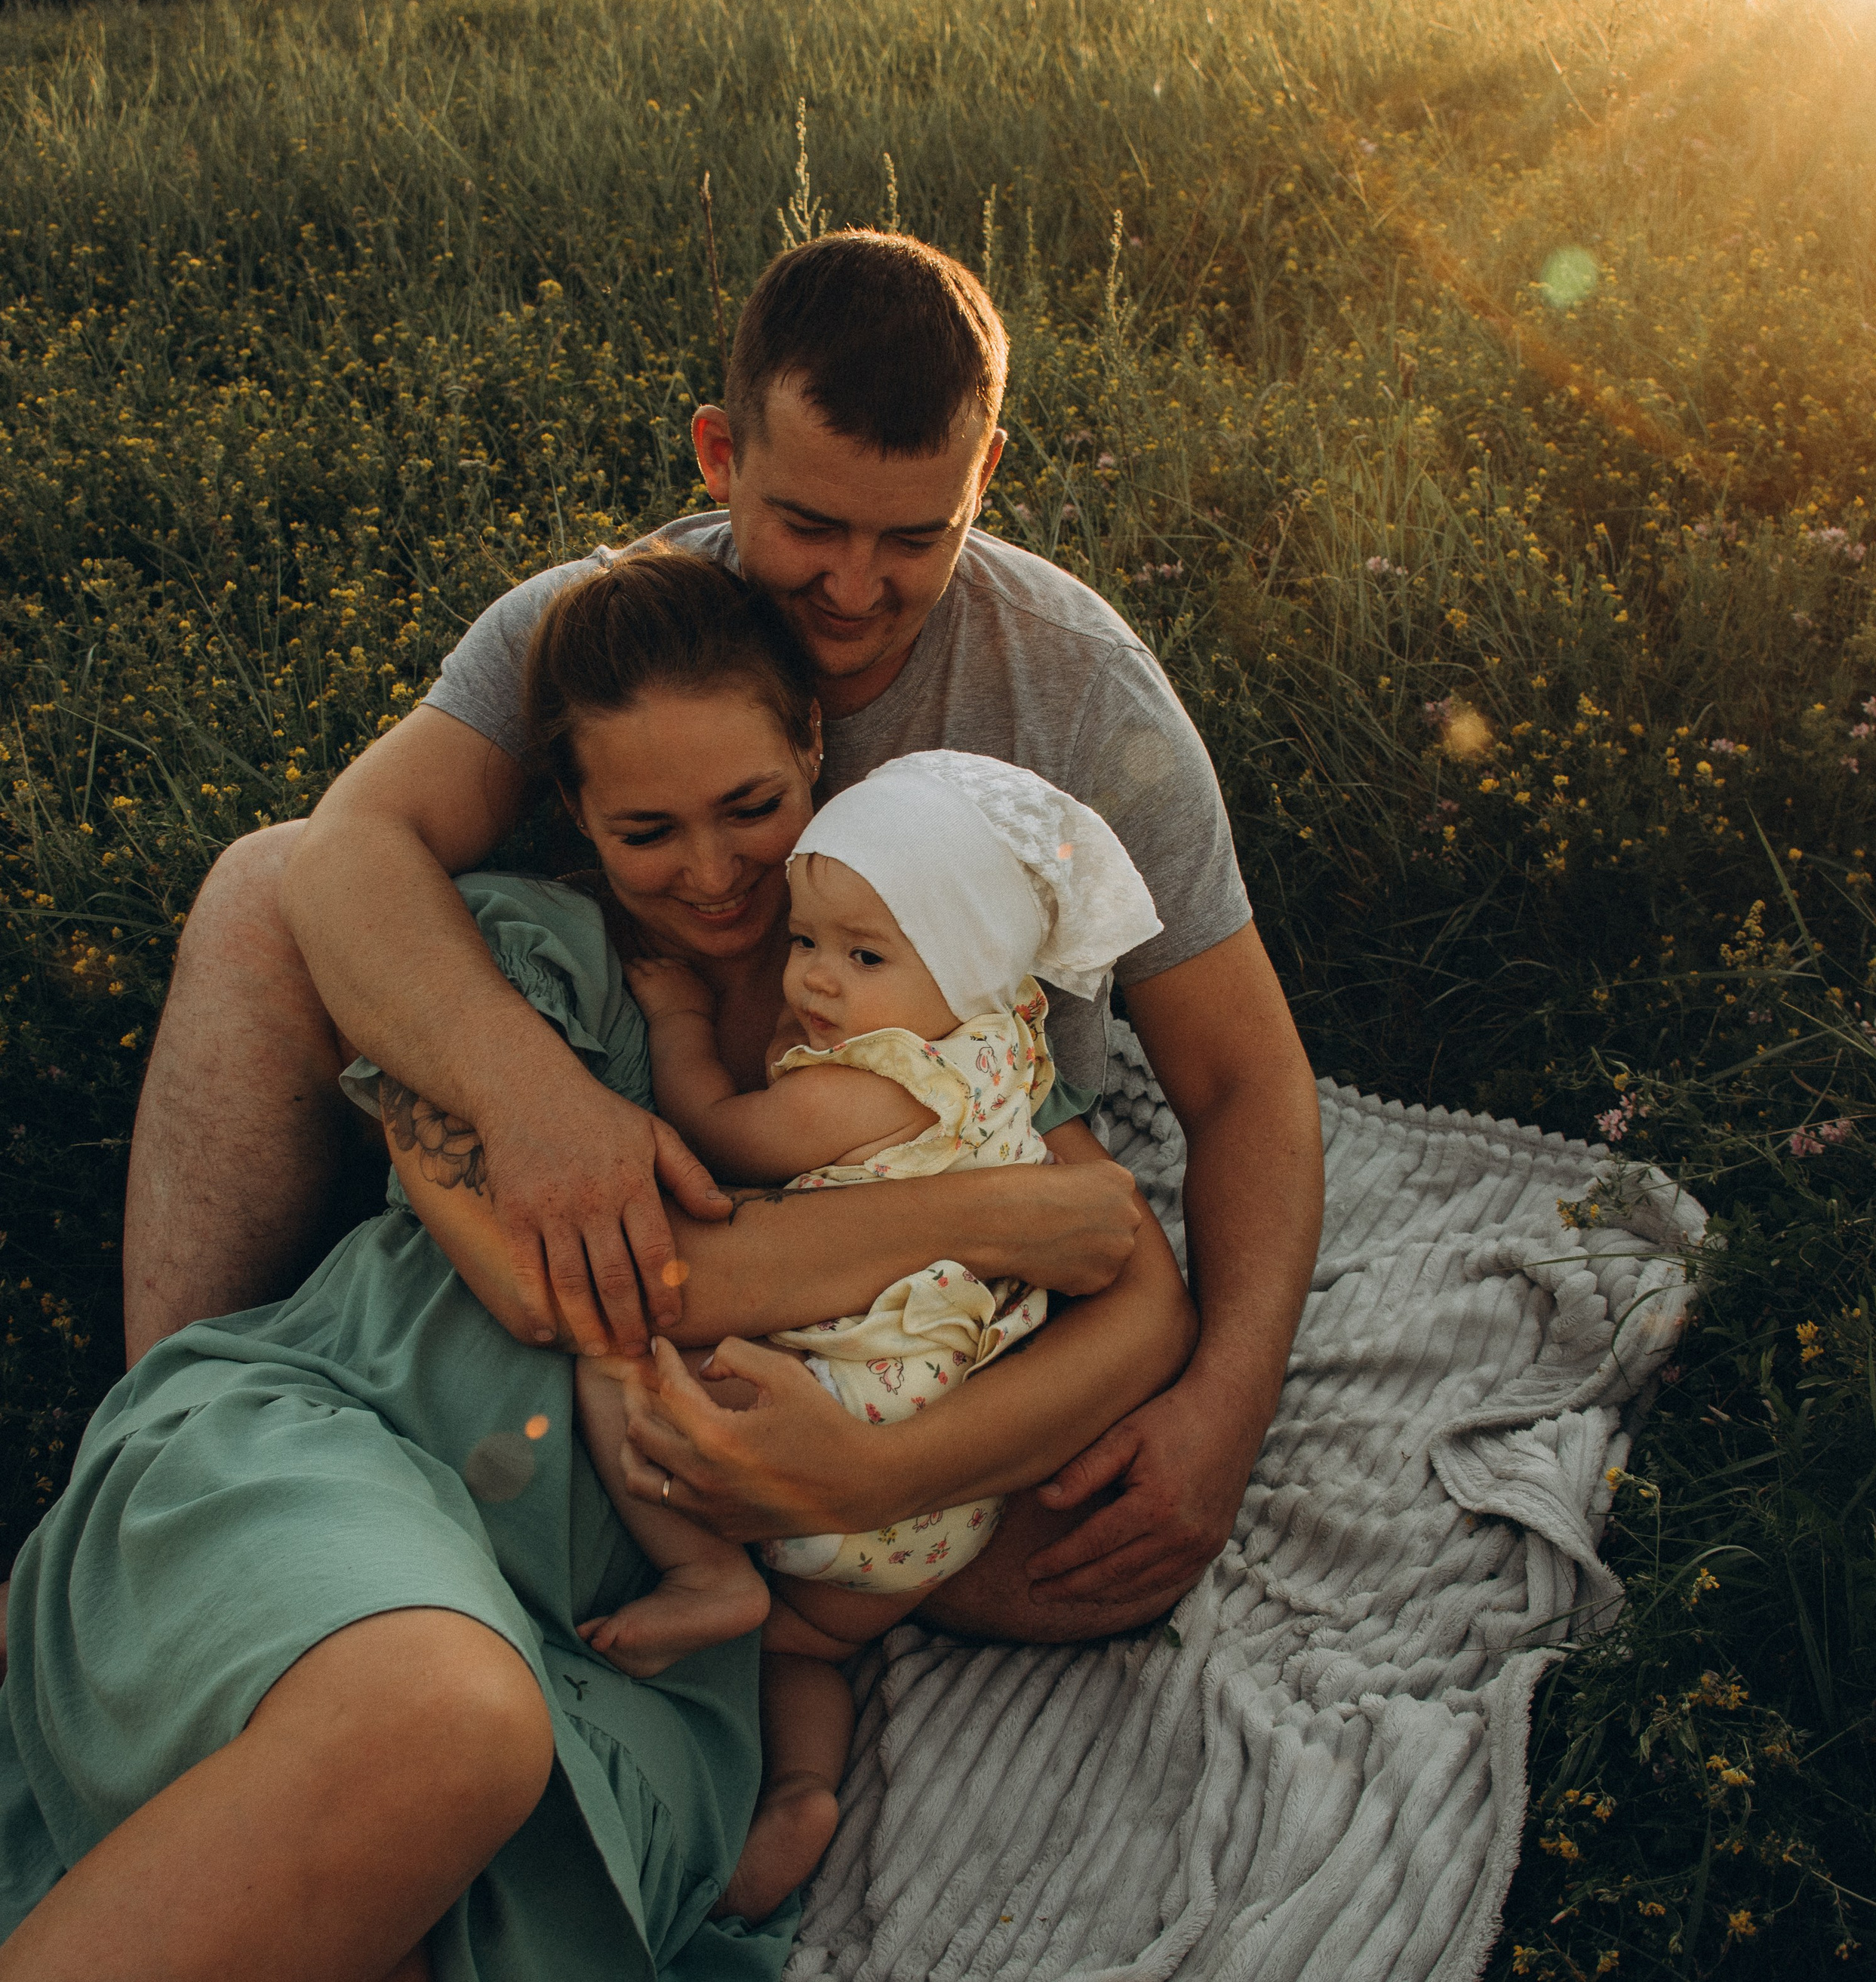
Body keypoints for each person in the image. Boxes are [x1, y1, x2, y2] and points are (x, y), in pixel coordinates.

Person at [121, 228, 1325, 1639]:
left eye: (915, 536)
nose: (857, 587)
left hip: (956, 1215)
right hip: (676, 1168)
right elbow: (342, 854)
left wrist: (1224, 1410)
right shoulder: (605, 636)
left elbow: (1244, 1081)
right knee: (261, 889)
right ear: (720, 456)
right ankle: (166, 1447)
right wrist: (535, 1101)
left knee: (1096, 1546)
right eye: (809, 525)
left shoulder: (1083, 691)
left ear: (986, 475)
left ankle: (759, 1550)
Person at [0, 553, 1179, 1976]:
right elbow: (562, 1282)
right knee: (441, 1720)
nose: (714, 871)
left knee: (402, 1868)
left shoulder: (925, 997)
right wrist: (982, 1219)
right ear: (577, 814)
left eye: (752, 807)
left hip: (635, 1643)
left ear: (813, 749)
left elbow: (1132, 1278)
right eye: (647, 829)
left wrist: (878, 1475)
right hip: (375, 1441)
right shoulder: (517, 966)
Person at [579, 746, 1167, 1904]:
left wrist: (678, 1019)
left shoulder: (873, 1079)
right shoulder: (1007, 1051)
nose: (815, 979)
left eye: (863, 956)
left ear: (964, 963)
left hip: (837, 1414)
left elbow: (725, 1126)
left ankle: (704, 1575)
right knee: (812, 1643)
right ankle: (804, 1787)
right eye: (806, 940)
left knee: (614, 1352)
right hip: (950, 1496)